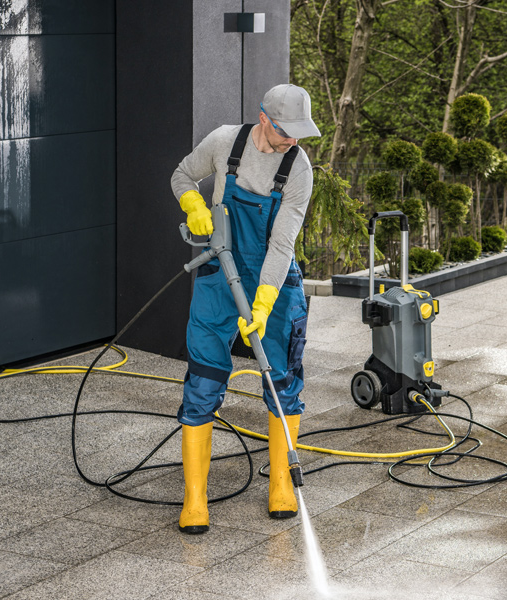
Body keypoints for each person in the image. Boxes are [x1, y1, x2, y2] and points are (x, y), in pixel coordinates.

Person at [169, 84, 320, 534]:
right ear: (265, 120)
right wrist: (193, 201)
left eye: (299, 133)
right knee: (203, 378)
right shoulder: (223, 142)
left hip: (274, 278)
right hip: (220, 276)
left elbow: (283, 242)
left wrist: (265, 299)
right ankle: (195, 499)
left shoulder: (299, 168)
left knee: (284, 380)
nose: (293, 140)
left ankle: (280, 484)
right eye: (286, 131)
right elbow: (181, 174)